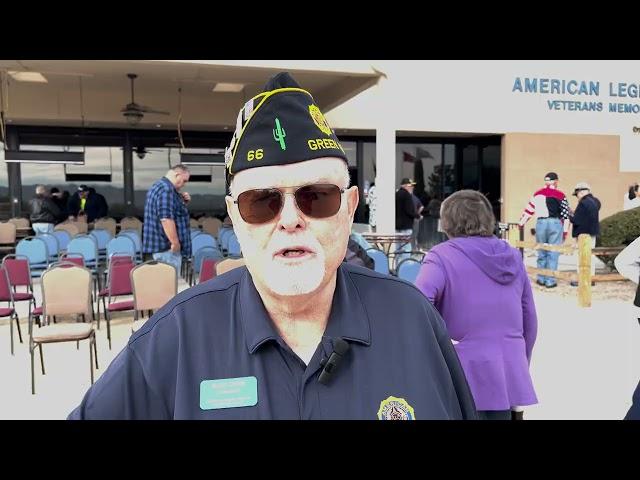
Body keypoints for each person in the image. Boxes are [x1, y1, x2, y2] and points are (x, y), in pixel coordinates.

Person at [68, 72, 477, 420]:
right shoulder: (174, 339)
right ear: (234, 216)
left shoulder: (413, 321)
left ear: (349, 208)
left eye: (317, 196)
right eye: (261, 202)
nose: (290, 218)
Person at [415, 190, 538, 420]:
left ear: (448, 221)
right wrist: (519, 362)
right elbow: (529, 319)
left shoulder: (441, 256)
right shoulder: (512, 256)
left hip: (461, 372)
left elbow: (417, 305)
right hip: (508, 374)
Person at [519, 172, 570, 288]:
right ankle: (550, 280)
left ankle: (541, 278)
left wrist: (521, 223)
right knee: (553, 251)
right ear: (556, 181)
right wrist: (565, 231)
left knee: (541, 251)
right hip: (555, 223)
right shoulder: (560, 195)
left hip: (540, 223)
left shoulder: (537, 194)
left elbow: (529, 210)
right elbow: (565, 215)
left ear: (546, 181)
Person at [141, 165, 192, 273]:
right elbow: (166, 218)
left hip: (159, 248)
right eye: (184, 181)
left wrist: (181, 202)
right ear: (177, 175)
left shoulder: (158, 186)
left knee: (159, 286)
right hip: (166, 250)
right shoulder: (167, 190)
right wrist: (175, 243)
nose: (184, 184)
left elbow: (168, 213)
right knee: (169, 287)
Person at [569, 182, 600, 284]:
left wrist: (569, 214)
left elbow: (577, 220)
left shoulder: (583, 203)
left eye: (577, 194)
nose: (577, 197)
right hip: (593, 233)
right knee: (591, 256)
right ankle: (591, 279)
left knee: (581, 258)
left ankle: (582, 280)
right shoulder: (596, 202)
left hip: (583, 235)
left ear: (581, 192)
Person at [394, 178, 421, 268]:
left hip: (396, 226)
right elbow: (409, 211)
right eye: (410, 186)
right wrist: (418, 216)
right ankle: (405, 268)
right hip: (406, 226)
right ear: (405, 186)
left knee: (398, 248)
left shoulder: (396, 194)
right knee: (406, 248)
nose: (412, 188)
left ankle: (397, 267)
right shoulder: (407, 195)